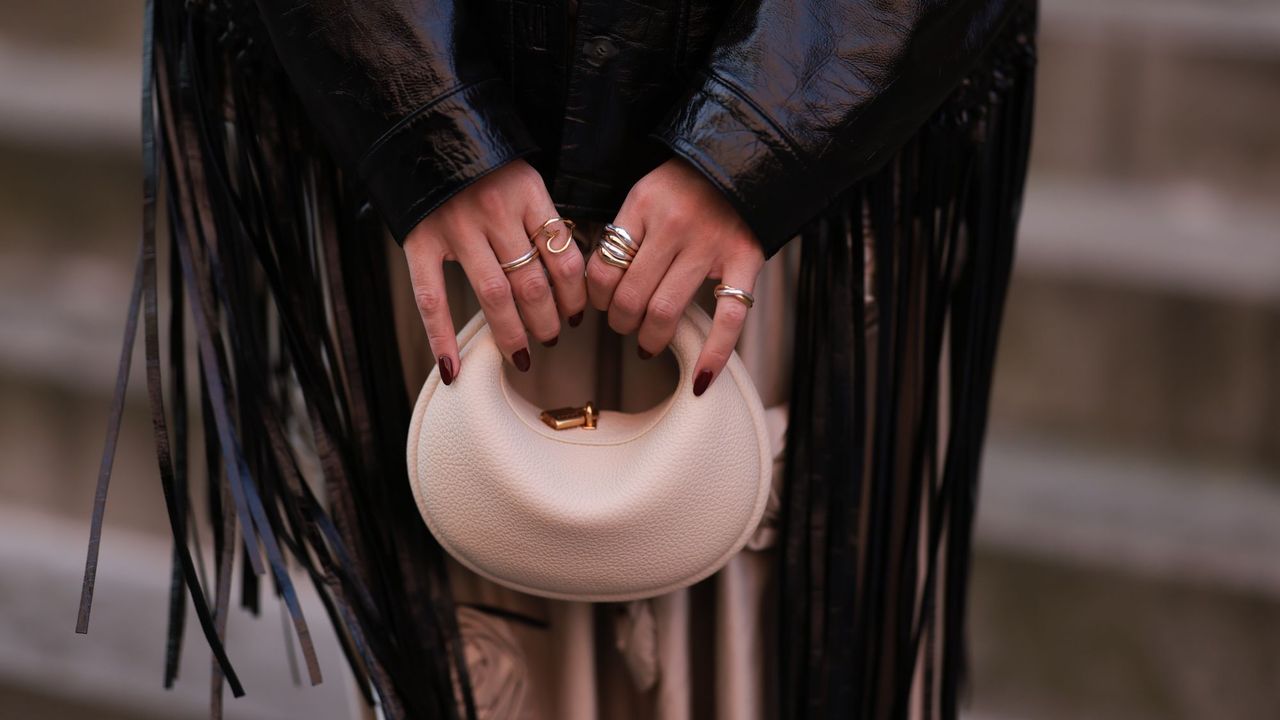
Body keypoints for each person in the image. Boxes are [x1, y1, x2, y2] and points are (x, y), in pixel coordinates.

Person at [78, 1, 1038, 718]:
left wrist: (763, 138)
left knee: (773, 654)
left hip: (799, 173)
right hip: (449, 179)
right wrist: (428, 118)